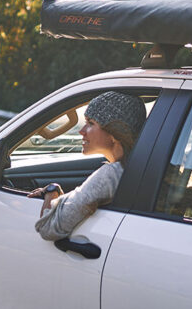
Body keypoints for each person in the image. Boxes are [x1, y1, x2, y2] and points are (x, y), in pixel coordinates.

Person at [30, 91, 146, 241]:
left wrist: (52, 193)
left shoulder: (110, 175)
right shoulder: (133, 169)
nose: (81, 131)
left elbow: (48, 228)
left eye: (91, 123)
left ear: (115, 133)